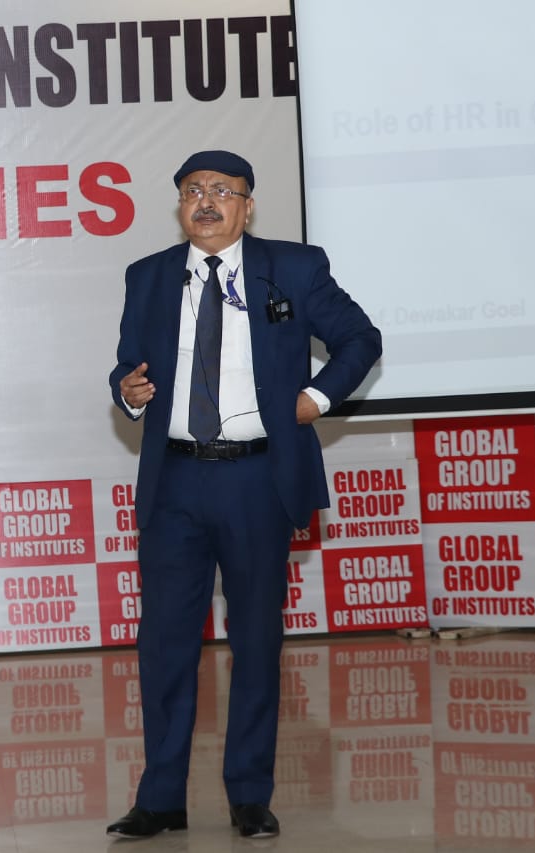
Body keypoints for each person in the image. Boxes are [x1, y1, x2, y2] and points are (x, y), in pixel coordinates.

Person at [105, 150, 381, 839]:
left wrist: (317, 399)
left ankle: (250, 793)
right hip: (174, 480)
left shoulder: (293, 268)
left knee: (256, 640)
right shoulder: (148, 276)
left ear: (247, 206)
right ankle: (160, 798)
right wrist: (127, 391)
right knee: (165, 644)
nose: (206, 201)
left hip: (256, 479)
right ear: (180, 205)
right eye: (193, 190)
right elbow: (128, 363)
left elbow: (360, 338)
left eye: (223, 191)